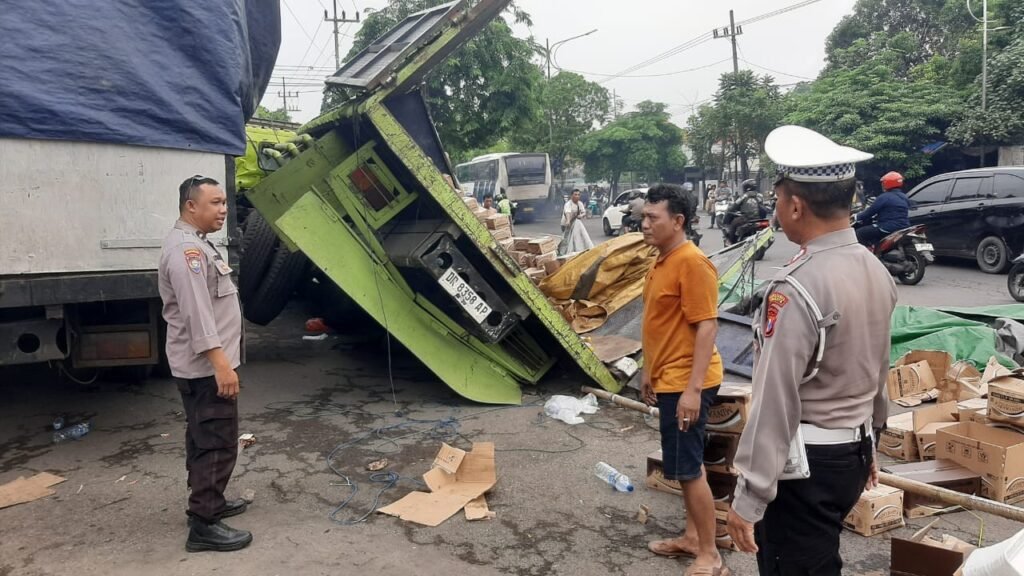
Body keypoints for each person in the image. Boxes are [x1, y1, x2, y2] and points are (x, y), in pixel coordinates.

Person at [726, 126, 897, 575]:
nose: (777, 211)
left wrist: (750, 495)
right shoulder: (875, 269)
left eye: (778, 200)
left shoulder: (795, 286)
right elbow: (878, 368)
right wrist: (872, 441)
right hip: (853, 454)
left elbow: (775, 399)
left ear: (795, 205)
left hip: (806, 468)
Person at [159, 176, 252, 552]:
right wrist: (221, 364)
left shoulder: (196, 244)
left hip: (202, 367)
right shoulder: (187, 252)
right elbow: (198, 315)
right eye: (214, 203)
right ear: (190, 206)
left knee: (203, 437)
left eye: (225, 202)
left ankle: (209, 501)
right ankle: (203, 524)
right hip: (205, 369)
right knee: (217, 442)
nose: (223, 209)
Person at [640, 184, 728, 576]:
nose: (643, 224)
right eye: (643, 216)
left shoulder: (692, 262)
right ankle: (693, 538)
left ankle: (709, 554)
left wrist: (692, 391)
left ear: (677, 221)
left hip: (687, 382)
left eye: (651, 218)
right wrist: (649, 370)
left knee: (688, 469)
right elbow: (660, 325)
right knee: (687, 464)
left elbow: (707, 327)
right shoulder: (662, 260)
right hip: (669, 377)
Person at [853, 171, 910, 248]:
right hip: (904, 226)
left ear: (887, 183)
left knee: (859, 233)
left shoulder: (884, 197)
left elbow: (870, 212)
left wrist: (856, 217)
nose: (882, 185)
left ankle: (868, 253)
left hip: (887, 227)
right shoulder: (904, 196)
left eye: (883, 183)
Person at [724, 179, 766, 244]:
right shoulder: (760, 195)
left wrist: (731, 209)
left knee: (733, 224)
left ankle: (731, 241)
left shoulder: (744, 196)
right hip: (759, 219)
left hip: (747, 218)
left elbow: (735, 205)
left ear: (746, 187)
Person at [560, 188, 593, 254]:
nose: (577, 196)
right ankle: (564, 252)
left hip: (575, 223)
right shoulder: (568, 204)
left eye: (578, 195)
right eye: (575, 194)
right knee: (566, 240)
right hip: (566, 224)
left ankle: (577, 251)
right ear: (571, 196)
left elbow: (583, 212)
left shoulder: (580, 204)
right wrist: (568, 221)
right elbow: (567, 213)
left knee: (576, 236)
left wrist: (581, 215)